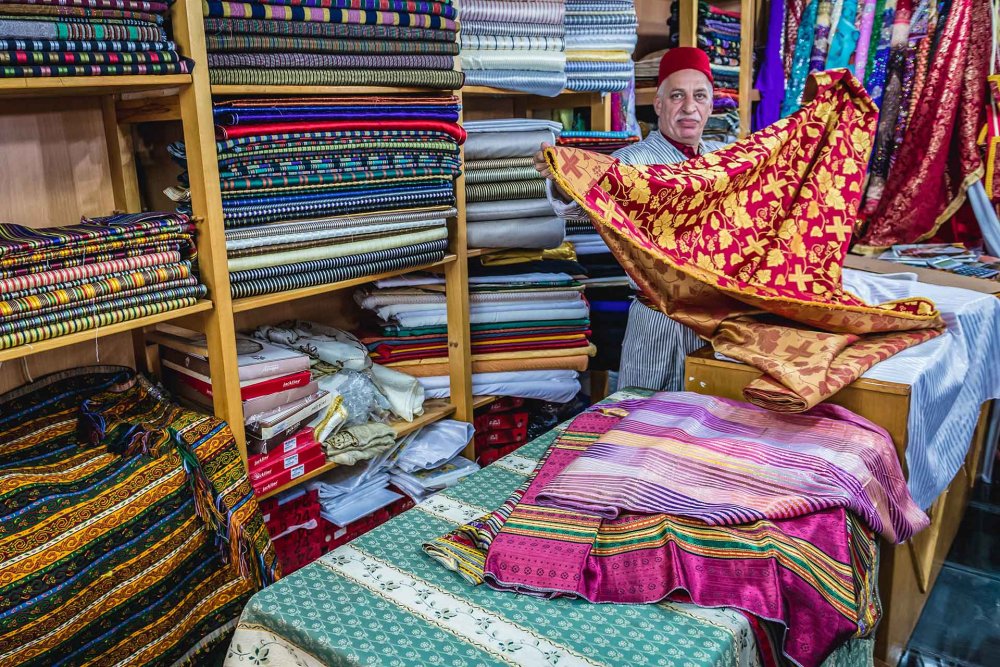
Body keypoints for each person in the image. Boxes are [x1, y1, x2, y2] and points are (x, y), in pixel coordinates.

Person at [533, 47, 728, 392]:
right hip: (656, 322)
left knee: (707, 426)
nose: (689, 107)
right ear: (659, 104)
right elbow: (579, 206)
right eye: (677, 96)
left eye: (700, 96)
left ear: (711, 105)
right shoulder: (631, 162)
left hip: (715, 326)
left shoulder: (721, 163)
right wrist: (564, 180)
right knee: (643, 423)